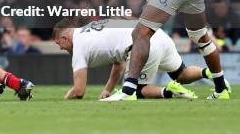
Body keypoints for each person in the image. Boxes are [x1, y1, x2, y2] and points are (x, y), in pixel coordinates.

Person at [54, 19, 228, 100]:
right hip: (157, 34)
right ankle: (212, 74)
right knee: (181, 73)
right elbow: (118, 63)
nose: (61, 48)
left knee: (135, 90)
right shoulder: (93, 29)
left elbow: (79, 91)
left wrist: (65, 98)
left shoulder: (79, 44)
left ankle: (169, 92)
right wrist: (108, 89)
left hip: (142, 45)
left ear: (65, 38)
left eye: (59, 44)